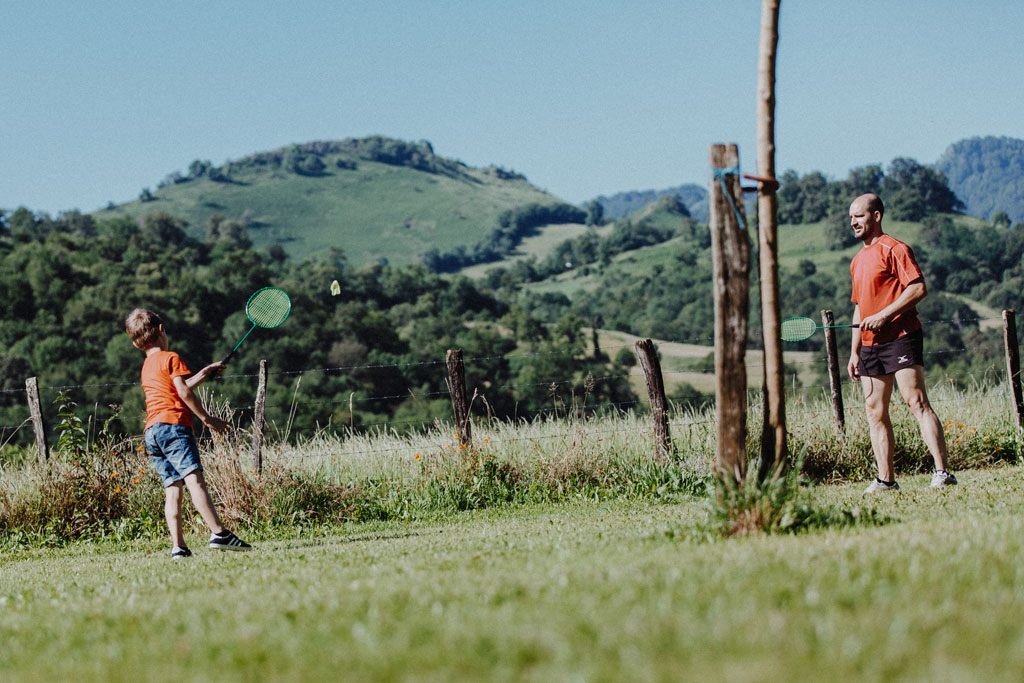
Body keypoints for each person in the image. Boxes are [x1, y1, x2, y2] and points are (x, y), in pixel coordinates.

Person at [846, 193, 957, 493]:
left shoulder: (894, 248)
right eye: (851, 217)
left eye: (859, 216)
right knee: (874, 411)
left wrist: (884, 316)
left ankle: (943, 473)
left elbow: (918, 289)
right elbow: (859, 307)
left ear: (876, 216)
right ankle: (886, 480)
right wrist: (854, 351)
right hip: (870, 346)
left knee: (916, 401)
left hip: (901, 337)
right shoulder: (857, 261)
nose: (853, 222)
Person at [125, 308, 252, 557]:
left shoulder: (147, 366)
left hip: (152, 432)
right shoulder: (171, 357)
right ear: (161, 330)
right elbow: (182, 392)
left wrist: (204, 373)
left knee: (172, 487)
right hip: (174, 426)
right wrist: (207, 418)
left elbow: (177, 387)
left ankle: (179, 547)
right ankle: (219, 533)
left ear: (135, 343)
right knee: (194, 479)